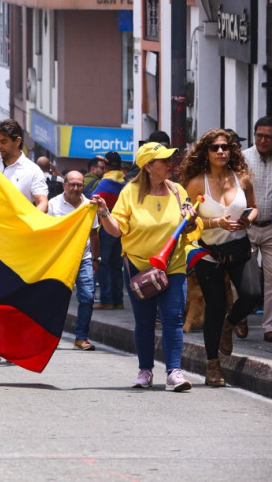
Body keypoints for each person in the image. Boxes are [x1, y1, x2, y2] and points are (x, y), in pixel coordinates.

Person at [92, 142, 197, 391]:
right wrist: (104, 213)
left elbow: (190, 227)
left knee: (173, 318)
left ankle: (174, 372)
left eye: (170, 159)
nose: (170, 164)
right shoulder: (130, 192)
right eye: (164, 160)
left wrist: (191, 220)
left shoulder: (178, 190)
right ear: (149, 166)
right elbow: (117, 230)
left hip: (173, 263)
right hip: (140, 266)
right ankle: (145, 371)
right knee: (145, 320)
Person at [180, 129, 260, 386]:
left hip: (239, 248)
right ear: (206, 152)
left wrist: (249, 218)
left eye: (225, 147)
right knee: (214, 308)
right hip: (209, 254)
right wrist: (216, 222)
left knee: (252, 295)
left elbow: (254, 206)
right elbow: (188, 221)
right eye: (214, 147)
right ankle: (212, 366)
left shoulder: (242, 179)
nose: (221, 151)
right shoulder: (195, 183)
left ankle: (231, 322)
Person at [0, 119, 48, 364]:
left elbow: (42, 201)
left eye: (4, 141)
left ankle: (1, 345)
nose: (0, 146)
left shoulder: (32, 170)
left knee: (6, 297)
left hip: (16, 245)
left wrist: (36, 221)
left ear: (18, 141)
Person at [47, 171, 99, 350]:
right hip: (59, 259)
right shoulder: (53, 205)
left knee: (87, 297)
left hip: (83, 259)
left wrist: (95, 259)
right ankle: (50, 337)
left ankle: (81, 337)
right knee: (55, 300)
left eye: (79, 185)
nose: (76, 188)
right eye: (72, 184)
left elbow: (94, 234)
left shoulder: (89, 206)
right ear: (64, 185)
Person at [243, 117, 272, 344]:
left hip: (271, 226)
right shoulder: (243, 159)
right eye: (259, 135)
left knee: (271, 279)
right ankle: (240, 315)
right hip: (247, 227)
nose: (263, 140)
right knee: (244, 277)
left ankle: (269, 326)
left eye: (268, 137)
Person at [92, 151, 127, 309]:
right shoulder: (126, 184)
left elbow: (92, 201)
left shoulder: (105, 183)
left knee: (104, 264)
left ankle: (106, 300)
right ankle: (118, 300)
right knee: (116, 265)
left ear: (105, 166)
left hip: (106, 230)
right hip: (121, 229)